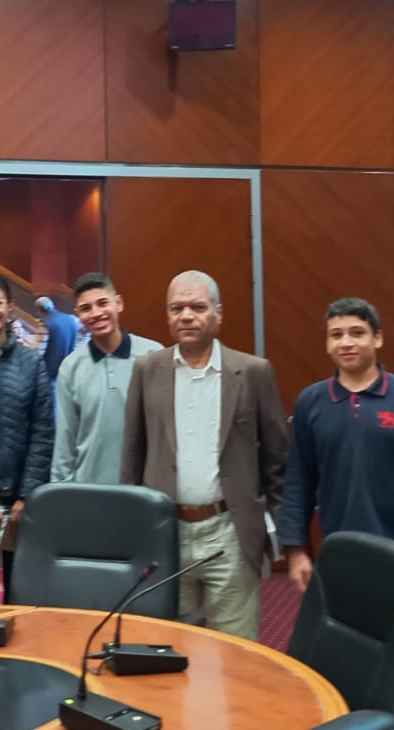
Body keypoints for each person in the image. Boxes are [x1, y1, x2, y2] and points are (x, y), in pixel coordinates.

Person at [120, 270, 287, 641]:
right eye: (176, 308)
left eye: (197, 307)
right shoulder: (147, 370)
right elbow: (132, 455)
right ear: (167, 316)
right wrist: (132, 528)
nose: (186, 316)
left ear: (218, 314)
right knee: (168, 646)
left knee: (236, 648)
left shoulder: (253, 372)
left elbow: (276, 459)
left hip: (229, 531)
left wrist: (275, 528)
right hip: (166, 532)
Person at [278, 296, 394, 593]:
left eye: (357, 333)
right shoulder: (310, 402)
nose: (346, 342)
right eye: (336, 335)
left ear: (377, 338)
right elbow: (298, 479)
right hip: (340, 545)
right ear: (327, 344)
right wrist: (295, 549)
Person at [0, 275, 53, 596]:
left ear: (10, 307)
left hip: (23, 499)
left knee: (25, 589)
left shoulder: (32, 363)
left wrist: (26, 494)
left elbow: (43, 431)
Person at [51, 272, 160, 485]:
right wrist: (60, 490)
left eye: (103, 303)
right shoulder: (71, 367)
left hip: (143, 491)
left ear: (118, 303)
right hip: (88, 490)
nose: (96, 313)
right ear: (78, 315)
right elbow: (65, 440)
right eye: (86, 308)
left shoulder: (153, 356)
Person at [35, 295, 81, 382]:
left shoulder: (46, 324)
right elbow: (75, 345)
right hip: (67, 371)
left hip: (50, 374)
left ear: (39, 311)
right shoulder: (71, 319)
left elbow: (39, 352)